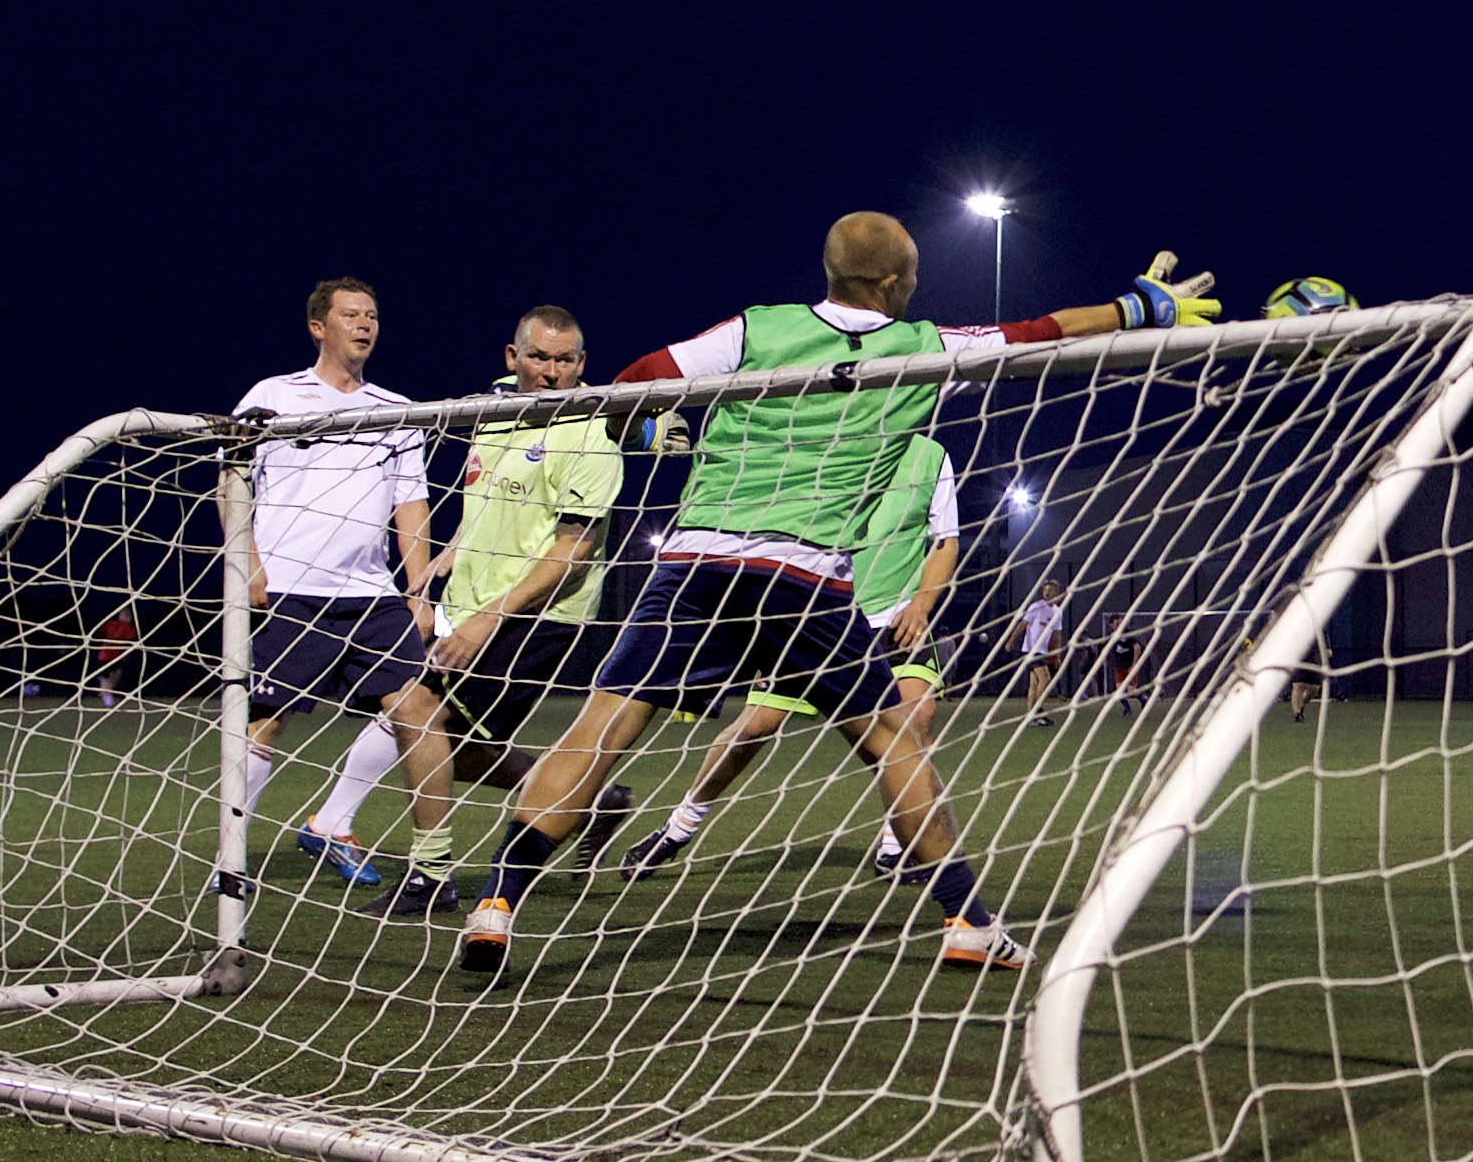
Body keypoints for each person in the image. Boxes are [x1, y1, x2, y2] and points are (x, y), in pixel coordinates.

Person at [455, 217, 1217, 978]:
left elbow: (636, 380)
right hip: (803, 577)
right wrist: (1138, 308)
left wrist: (652, 430)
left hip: (697, 562)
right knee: (893, 740)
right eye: (911, 274)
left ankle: (497, 902)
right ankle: (966, 922)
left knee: (601, 729)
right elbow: (1039, 332)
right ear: (893, 281)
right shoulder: (923, 345)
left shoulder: (755, 329)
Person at [357, 307, 625, 919]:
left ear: (582, 365)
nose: (551, 372)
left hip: (537, 614)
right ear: (513, 358)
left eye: (565, 361)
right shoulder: (497, 409)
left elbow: (574, 552)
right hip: (470, 603)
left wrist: (489, 619)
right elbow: (490, 504)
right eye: (539, 357)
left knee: (412, 705)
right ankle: (593, 798)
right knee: (466, 749)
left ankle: (431, 876)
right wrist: (444, 561)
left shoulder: (590, 436)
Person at [611, 430, 962, 883]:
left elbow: (944, 541)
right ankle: (679, 826)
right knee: (751, 730)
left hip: (894, 618)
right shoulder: (833, 438)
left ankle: (897, 846)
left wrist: (921, 604)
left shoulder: (932, 455)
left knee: (916, 717)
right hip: (819, 616)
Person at [226, 278, 455, 894]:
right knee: (266, 722)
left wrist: (419, 591)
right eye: (350, 314)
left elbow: (411, 506)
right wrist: (246, 560)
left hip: (372, 592)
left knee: (415, 705)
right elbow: (233, 479)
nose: (364, 323)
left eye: (372, 315)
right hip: (293, 588)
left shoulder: (397, 409)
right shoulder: (273, 396)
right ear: (318, 327)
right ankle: (230, 859)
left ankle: (416, 859)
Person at [1018, 582, 1068, 726]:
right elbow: (1023, 624)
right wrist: (1011, 640)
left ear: (1056, 593)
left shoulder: (1057, 612)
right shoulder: (1036, 606)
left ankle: (1029, 717)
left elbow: (1057, 635)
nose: (1046, 593)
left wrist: (1057, 655)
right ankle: (1038, 711)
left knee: (1034, 684)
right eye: (1045, 590)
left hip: (1042, 651)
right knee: (1045, 678)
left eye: (1050, 590)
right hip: (1031, 650)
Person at [90, 607, 137, 705]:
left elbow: (99, 632)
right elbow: (129, 642)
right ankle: (107, 699)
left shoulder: (115, 625)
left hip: (110, 656)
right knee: (106, 678)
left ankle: (106, 695)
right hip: (110, 656)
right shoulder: (123, 627)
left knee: (110, 678)